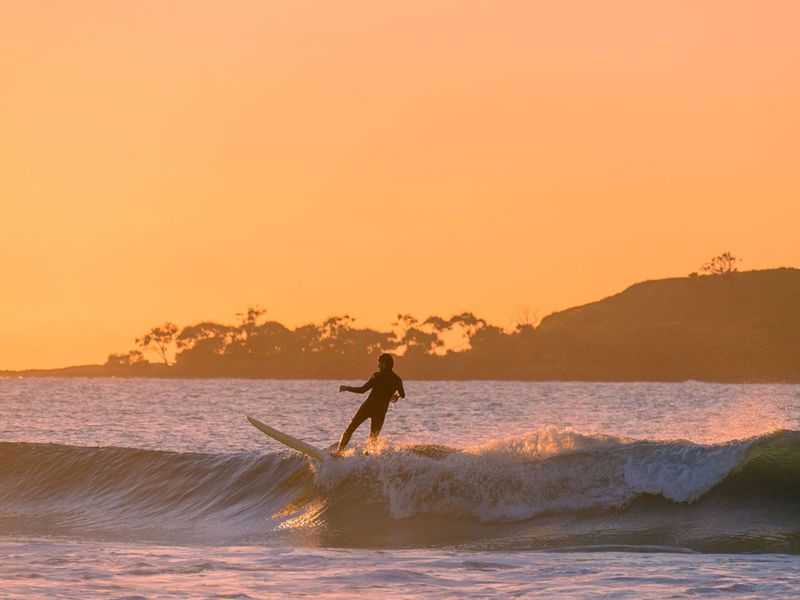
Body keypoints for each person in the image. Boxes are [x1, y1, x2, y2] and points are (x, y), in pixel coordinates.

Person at [337, 353, 405, 452]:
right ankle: (367, 456)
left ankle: (339, 452)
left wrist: (347, 388)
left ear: (384, 364)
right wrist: (396, 397)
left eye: (379, 363)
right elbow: (402, 395)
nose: (378, 365)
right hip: (381, 411)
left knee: (350, 429)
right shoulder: (397, 379)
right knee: (373, 437)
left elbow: (362, 390)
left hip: (368, 407)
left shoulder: (377, 376)